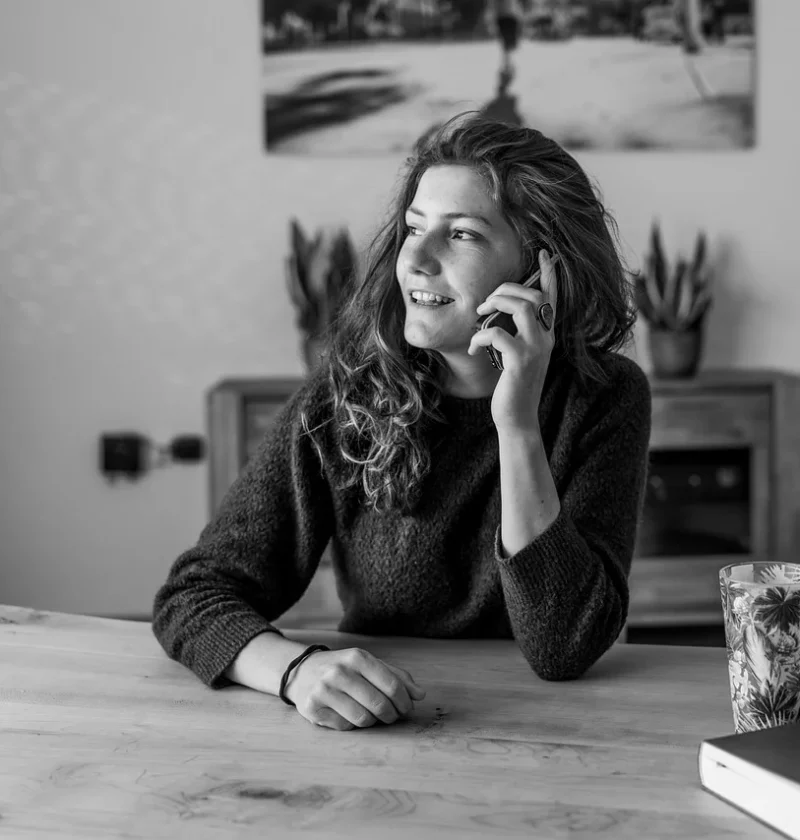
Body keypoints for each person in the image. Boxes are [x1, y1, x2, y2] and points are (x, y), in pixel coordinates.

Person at [152, 113, 652, 733]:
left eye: (462, 234)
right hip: (385, 724)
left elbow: (564, 647)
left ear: (542, 268)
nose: (415, 258)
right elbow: (193, 596)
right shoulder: (344, 399)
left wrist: (517, 424)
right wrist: (295, 670)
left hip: (559, 732)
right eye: (413, 228)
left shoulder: (605, 397)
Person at [488, 0, 526, 86]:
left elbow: (516, 5)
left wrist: (520, 18)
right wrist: (492, 22)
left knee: (510, 46)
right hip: (504, 18)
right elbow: (493, 6)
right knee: (506, 45)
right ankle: (507, 66)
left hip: (510, 18)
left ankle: (508, 65)